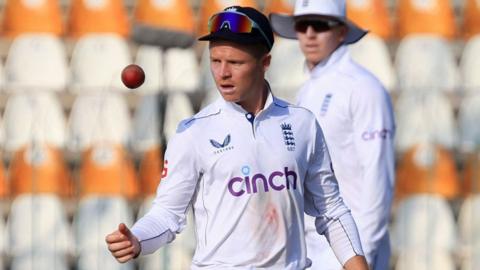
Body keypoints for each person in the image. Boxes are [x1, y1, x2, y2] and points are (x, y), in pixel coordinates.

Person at [106, 6, 369, 270]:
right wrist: (137, 239)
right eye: (215, 61)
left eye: (235, 63)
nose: (222, 74)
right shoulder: (193, 132)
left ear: (265, 63)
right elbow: (167, 214)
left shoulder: (302, 124)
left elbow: (331, 211)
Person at [270, 1, 396, 269]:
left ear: (341, 31)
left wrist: (362, 255)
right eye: (302, 25)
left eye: (321, 25)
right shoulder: (308, 90)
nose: (310, 33)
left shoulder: (363, 88)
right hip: (311, 248)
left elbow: (378, 179)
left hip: (350, 249)